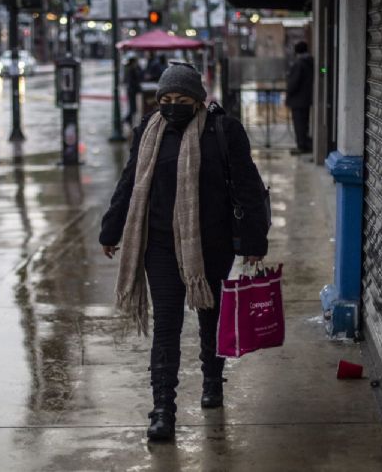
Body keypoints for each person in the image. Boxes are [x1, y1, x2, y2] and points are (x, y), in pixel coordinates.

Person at [99, 63, 269, 442]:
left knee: (211, 318)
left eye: (182, 100)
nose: (172, 106)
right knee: (167, 326)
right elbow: (130, 181)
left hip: (211, 245)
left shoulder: (223, 130)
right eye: (166, 100)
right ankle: (163, 409)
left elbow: (248, 187)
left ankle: (212, 379)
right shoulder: (148, 131)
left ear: (198, 100)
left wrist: (254, 242)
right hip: (158, 244)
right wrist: (111, 230)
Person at [286, 41, 314, 155]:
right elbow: (323, 70)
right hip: (306, 99)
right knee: (304, 123)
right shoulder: (311, 62)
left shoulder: (298, 64)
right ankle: (305, 144)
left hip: (297, 100)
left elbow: (294, 83)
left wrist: (288, 93)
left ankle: (301, 146)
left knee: (299, 124)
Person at [124, 57, 143, 126]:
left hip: (131, 90)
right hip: (131, 91)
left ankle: (128, 120)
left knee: (133, 107)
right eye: (136, 62)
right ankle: (127, 119)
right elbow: (133, 81)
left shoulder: (132, 69)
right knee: (133, 108)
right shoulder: (131, 70)